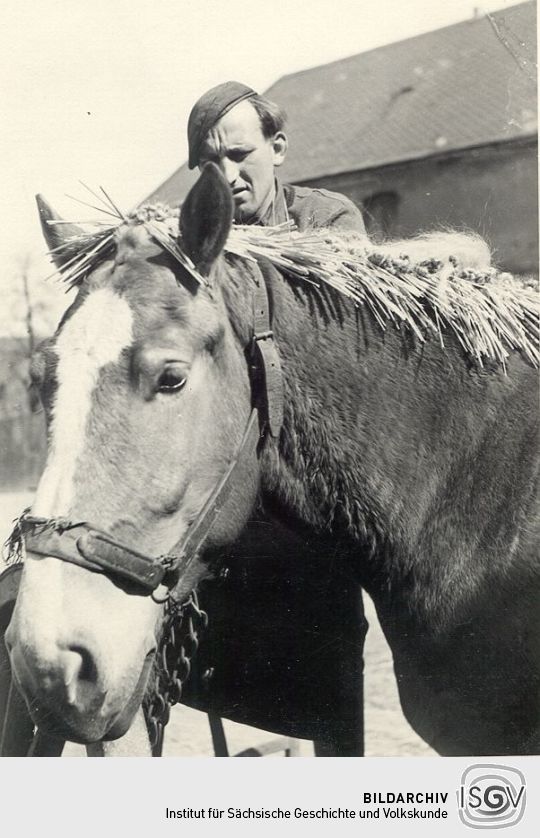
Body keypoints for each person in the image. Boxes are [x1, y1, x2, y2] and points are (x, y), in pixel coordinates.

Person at [187, 80, 366, 234]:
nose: (227, 177)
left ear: (277, 149)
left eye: (239, 154)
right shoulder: (192, 235)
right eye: (210, 163)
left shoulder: (326, 216)